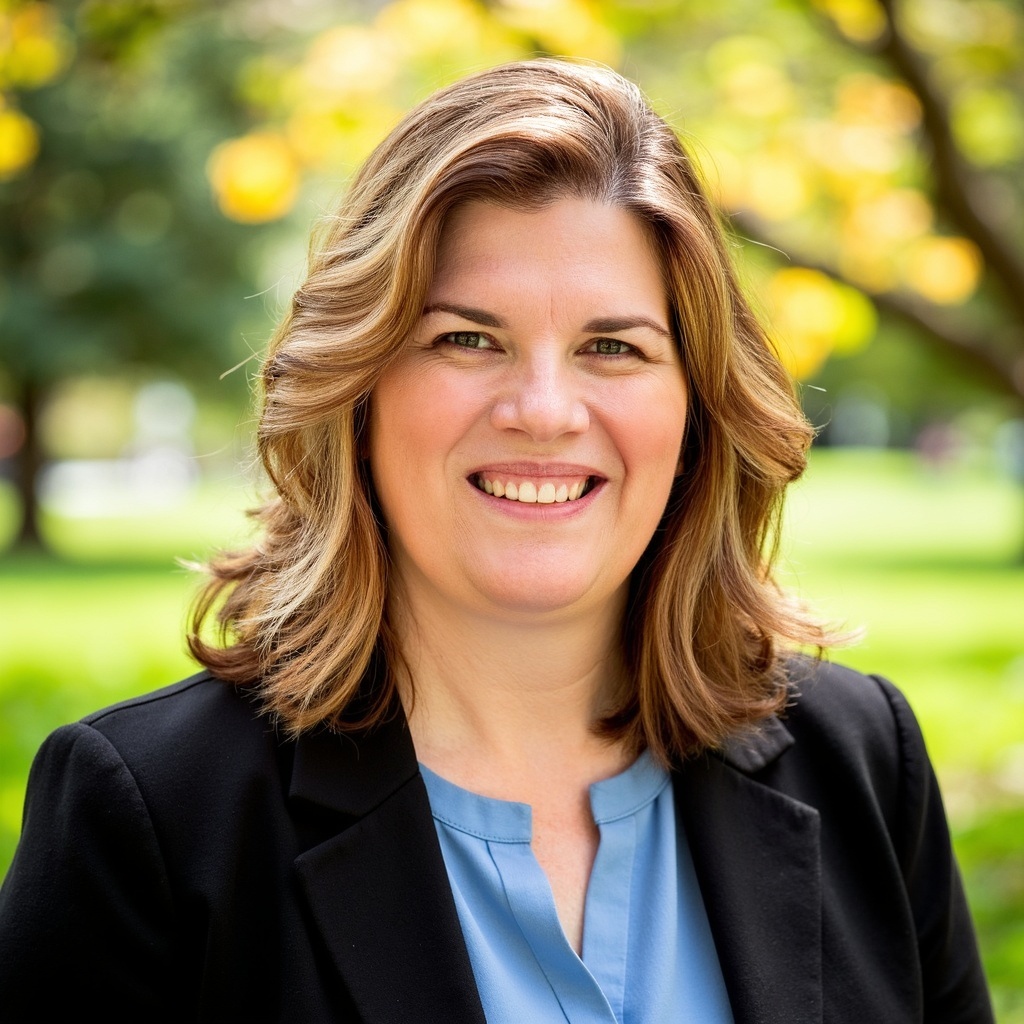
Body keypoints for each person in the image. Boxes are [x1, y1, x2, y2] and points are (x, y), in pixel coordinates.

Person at [0, 59, 993, 1022]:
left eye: (613, 346)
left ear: (695, 408)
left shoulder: (860, 759)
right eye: (466, 338)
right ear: (359, 389)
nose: (544, 410)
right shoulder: (151, 816)